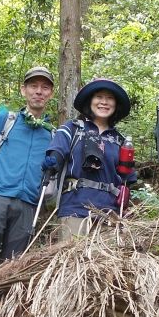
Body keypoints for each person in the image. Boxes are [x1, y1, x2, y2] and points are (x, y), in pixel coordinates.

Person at [0, 66, 56, 268]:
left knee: (12, 269)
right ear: (23, 90)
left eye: (44, 87)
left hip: (28, 204)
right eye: (33, 86)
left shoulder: (52, 133)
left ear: (51, 94)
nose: (38, 91)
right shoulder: (7, 120)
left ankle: (3, 301)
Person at [43, 78, 137, 241]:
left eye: (109, 98)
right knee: (72, 263)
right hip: (75, 208)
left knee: (105, 265)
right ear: (90, 101)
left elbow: (128, 180)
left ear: (115, 105)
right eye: (99, 97)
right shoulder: (72, 128)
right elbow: (58, 150)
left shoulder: (120, 141)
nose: (104, 102)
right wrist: (53, 161)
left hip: (109, 214)